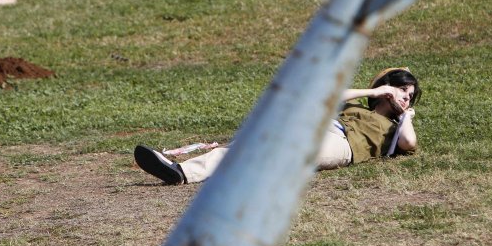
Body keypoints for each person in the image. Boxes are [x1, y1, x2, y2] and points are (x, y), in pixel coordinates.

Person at [134, 68, 421, 185]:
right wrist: (372, 93)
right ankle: (181, 172)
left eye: (409, 95)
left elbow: (409, 144)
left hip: (340, 144)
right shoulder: (357, 105)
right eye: (400, 90)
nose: (405, 98)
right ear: (386, 88)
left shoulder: (394, 127)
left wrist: (406, 116)